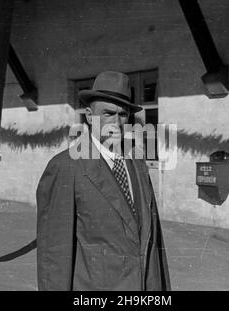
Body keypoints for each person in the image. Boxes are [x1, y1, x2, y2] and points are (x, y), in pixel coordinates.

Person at [37, 71, 170, 291]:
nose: (116, 123)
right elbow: (54, 255)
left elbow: (153, 239)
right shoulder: (66, 166)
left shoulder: (136, 162)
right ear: (89, 116)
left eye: (123, 115)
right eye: (108, 113)